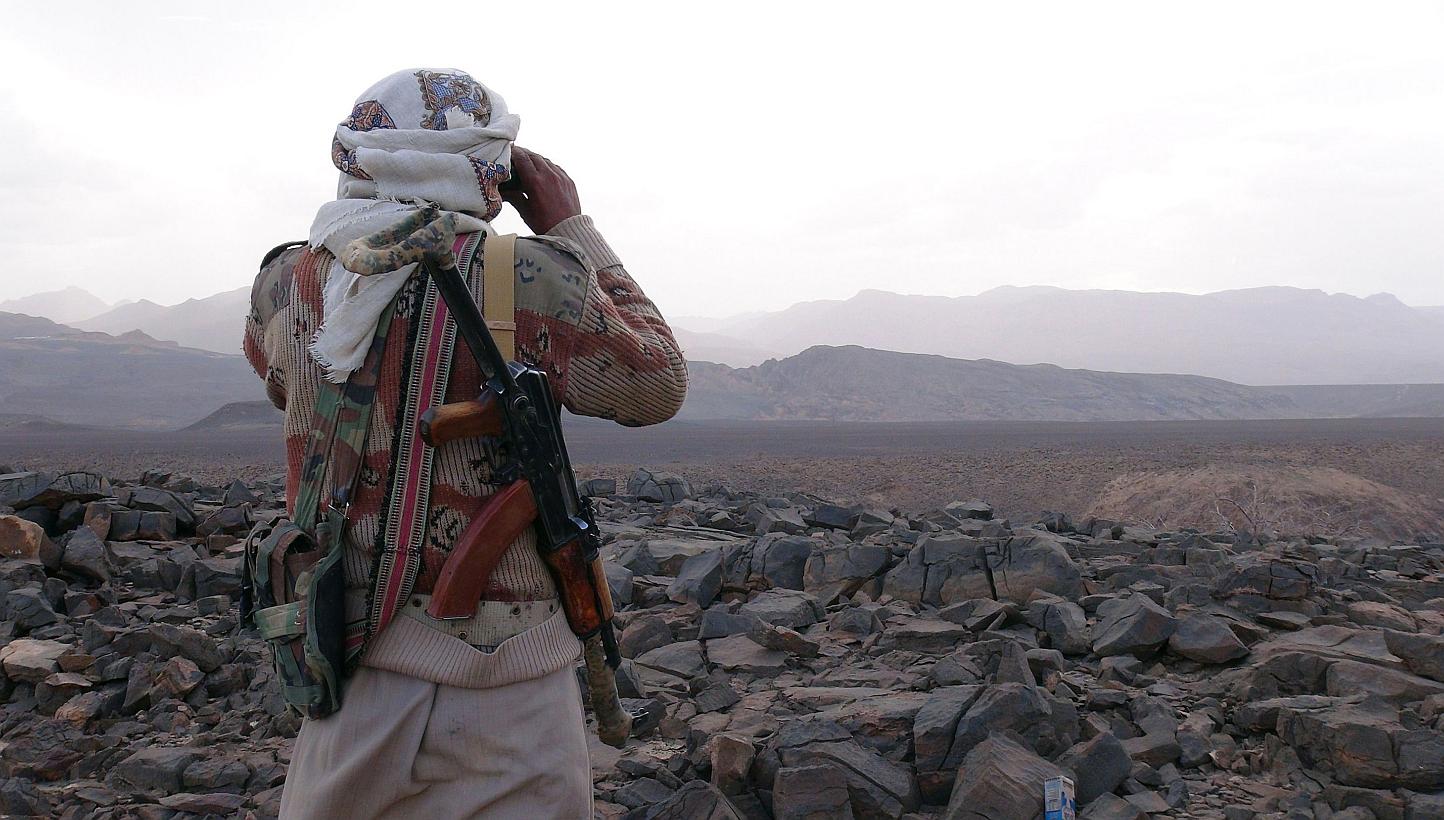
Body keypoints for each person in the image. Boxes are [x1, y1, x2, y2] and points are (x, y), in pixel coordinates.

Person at [243, 67, 687, 819]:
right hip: (512, 689)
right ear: (490, 167)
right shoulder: (535, 276)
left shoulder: (288, 280)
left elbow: (287, 388)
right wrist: (572, 228)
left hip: (349, 665)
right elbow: (659, 383)